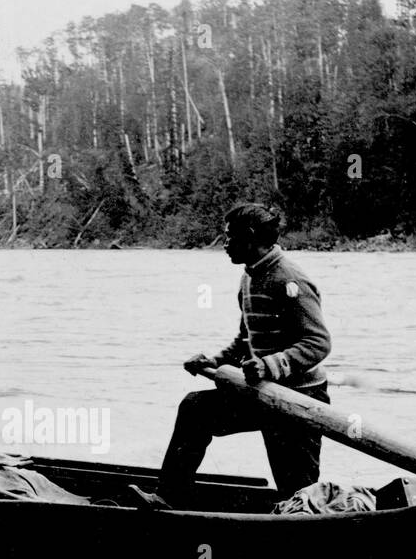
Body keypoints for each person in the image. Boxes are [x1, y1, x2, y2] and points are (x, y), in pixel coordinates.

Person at [142, 203, 331, 508]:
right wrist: (215, 362)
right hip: (263, 394)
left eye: (229, 238)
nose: (225, 245)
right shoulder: (249, 278)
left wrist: (270, 366)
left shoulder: (290, 281)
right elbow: (247, 339)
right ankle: (169, 496)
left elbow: (318, 342)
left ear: (251, 236)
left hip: (299, 401)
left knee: (297, 494)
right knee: (195, 408)